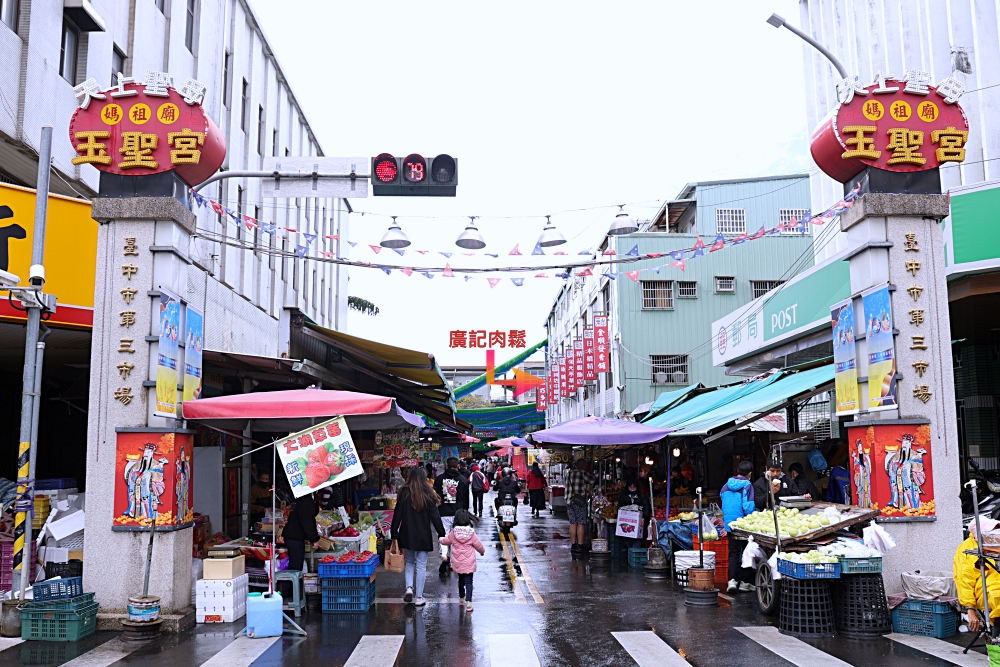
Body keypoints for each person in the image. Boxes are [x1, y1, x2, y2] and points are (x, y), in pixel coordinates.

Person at [390, 467, 445, 606]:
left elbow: (398, 514)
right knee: (421, 566)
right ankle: (419, 597)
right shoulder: (428, 493)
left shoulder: (404, 492)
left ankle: (409, 588)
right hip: (423, 535)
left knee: (409, 562)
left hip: (406, 533)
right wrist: (441, 532)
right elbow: (435, 516)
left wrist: (394, 531)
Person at [954, 516, 1000, 634]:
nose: (995, 531)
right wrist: (970, 608)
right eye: (992, 529)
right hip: (985, 591)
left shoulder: (994, 544)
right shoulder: (966, 549)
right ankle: (996, 637)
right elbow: (964, 581)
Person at [438, 509, 485, 613]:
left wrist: (440, 539)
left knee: (461, 580)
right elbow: (478, 545)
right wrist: (482, 552)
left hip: (458, 562)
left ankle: (462, 598)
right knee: (469, 582)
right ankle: (468, 603)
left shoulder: (453, 533)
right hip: (469, 562)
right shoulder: (471, 534)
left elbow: (445, 541)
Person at [721, 461, 756, 593]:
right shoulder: (747, 485)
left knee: (734, 554)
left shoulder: (725, 486)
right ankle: (745, 583)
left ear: (738, 471)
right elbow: (748, 507)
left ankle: (732, 581)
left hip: (730, 525)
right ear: (750, 474)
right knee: (747, 554)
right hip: (743, 525)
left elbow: (723, 501)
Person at [434, 457, 470, 575]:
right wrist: (465, 512)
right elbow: (466, 498)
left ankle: (444, 556)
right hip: (458, 513)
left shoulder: (439, 479)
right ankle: (453, 561)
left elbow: (435, 497)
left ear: (446, 466)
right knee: (456, 538)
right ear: (458, 466)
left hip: (442, 512)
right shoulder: (463, 479)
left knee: (443, 536)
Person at [566, 460, 597, 555]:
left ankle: (573, 545)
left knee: (573, 523)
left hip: (569, 501)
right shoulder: (583, 473)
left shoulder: (569, 473)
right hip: (579, 502)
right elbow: (593, 480)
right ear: (582, 466)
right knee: (581, 523)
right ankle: (580, 545)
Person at [281, 492, 319, 571]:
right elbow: (308, 521)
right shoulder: (306, 500)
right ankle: (290, 583)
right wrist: (314, 539)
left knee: (294, 566)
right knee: (295, 568)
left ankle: (291, 582)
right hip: (295, 537)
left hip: (293, 536)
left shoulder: (301, 498)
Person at [617, 477, 651, 550]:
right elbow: (619, 506)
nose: (632, 488)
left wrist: (644, 518)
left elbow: (647, 507)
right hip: (627, 520)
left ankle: (634, 551)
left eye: (634, 486)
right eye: (630, 486)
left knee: (637, 536)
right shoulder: (624, 495)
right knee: (625, 534)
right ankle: (632, 550)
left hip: (639, 520)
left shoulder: (642, 495)